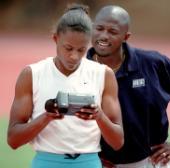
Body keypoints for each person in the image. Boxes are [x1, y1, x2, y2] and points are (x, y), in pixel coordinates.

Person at [7, 4, 124, 168]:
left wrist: (98, 116)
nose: (74, 56)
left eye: (81, 49)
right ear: (55, 39)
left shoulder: (103, 74)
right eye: (68, 48)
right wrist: (47, 117)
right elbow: (13, 140)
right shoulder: (32, 74)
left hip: (88, 163)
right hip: (46, 163)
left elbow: (118, 141)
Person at [87, 5, 170, 168]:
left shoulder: (153, 64)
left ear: (125, 36)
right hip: (100, 163)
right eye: (99, 29)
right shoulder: (79, 69)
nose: (103, 36)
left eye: (112, 32)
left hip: (151, 162)